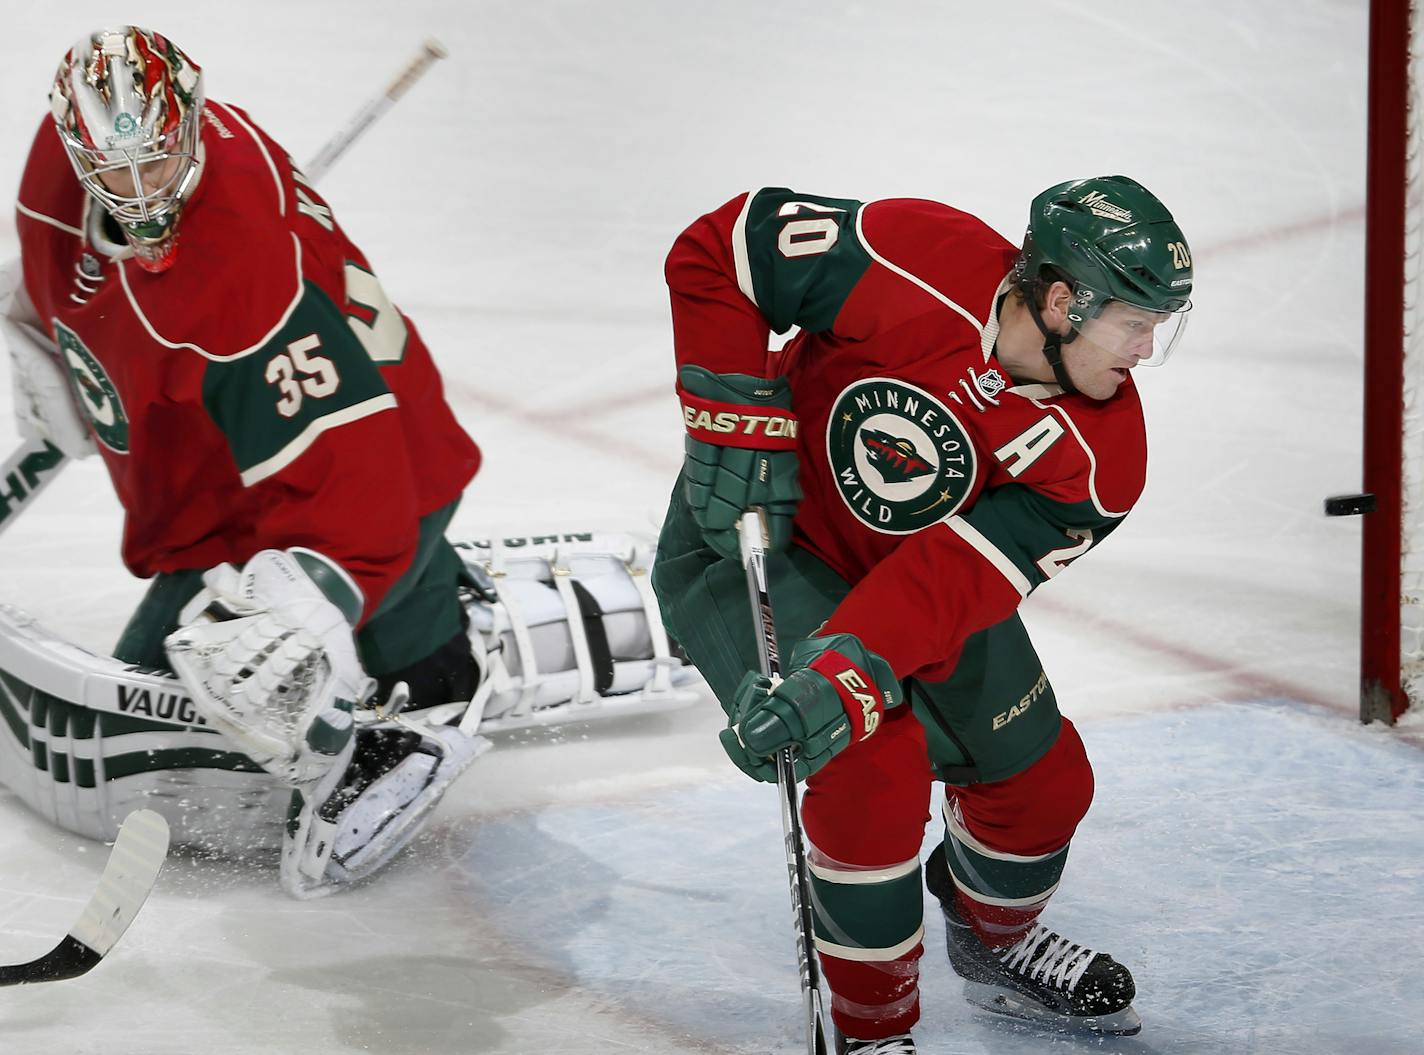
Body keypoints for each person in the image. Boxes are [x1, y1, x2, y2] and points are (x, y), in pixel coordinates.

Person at [0, 26, 696, 898]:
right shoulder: (68, 168)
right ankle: (424, 607)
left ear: (193, 123)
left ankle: (435, 692)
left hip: (373, 463)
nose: (139, 190)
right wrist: (48, 336)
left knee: (226, 699)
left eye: (157, 159)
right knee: (158, 687)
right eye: (114, 168)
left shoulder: (242, 276)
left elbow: (359, 472)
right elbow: (80, 269)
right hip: (231, 456)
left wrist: (316, 596)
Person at [652, 178, 1192, 1052]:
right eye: (1134, 321)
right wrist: (725, 419)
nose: (1147, 349)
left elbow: (951, 582)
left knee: (1044, 781)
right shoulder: (915, 254)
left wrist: (846, 668)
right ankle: (873, 1031)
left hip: (908, 582)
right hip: (761, 540)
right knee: (872, 768)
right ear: (1063, 302)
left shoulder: (1101, 459)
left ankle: (993, 943)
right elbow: (726, 244)